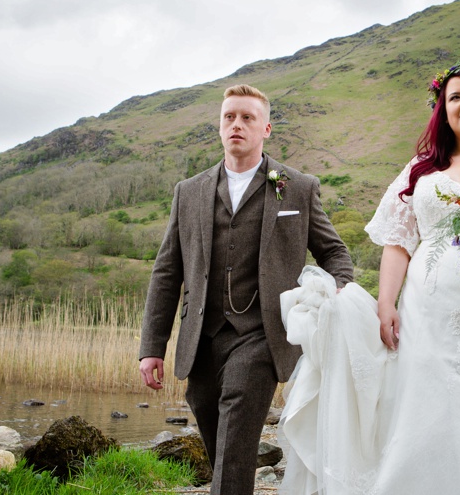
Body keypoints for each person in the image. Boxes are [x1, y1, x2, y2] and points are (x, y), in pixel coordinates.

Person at [278, 59, 460, 494]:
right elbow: (398, 242)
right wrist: (385, 304)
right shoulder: (422, 168)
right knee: (436, 411)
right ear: (443, 109)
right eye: (455, 96)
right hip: (430, 313)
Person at [139, 84, 354, 495]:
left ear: (266, 128)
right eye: (229, 117)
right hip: (202, 334)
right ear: (220, 127)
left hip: (263, 333)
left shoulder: (298, 187)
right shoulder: (189, 191)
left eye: (247, 117)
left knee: (238, 415)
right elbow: (167, 271)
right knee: (208, 416)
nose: (236, 124)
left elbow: (335, 254)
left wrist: (334, 295)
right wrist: (152, 345)